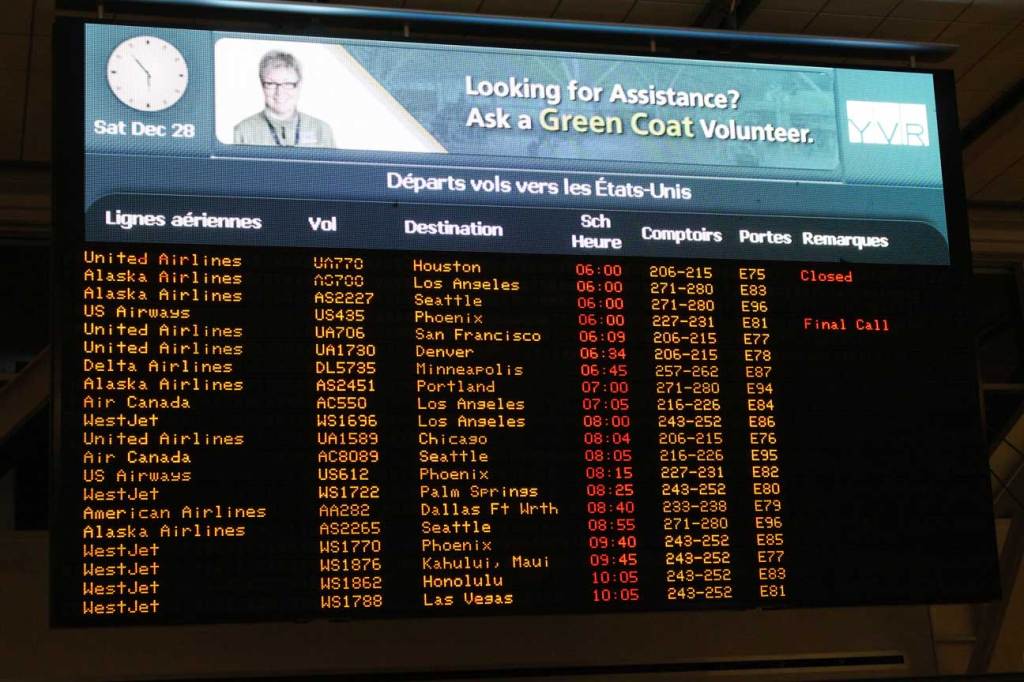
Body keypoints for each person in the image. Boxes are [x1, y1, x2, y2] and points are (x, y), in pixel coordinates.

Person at [233, 51, 335, 147]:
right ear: (262, 85)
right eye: (271, 84)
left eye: (287, 84)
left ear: (299, 86)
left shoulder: (321, 130)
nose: (280, 92)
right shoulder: (243, 131)